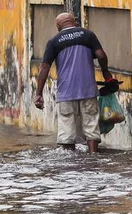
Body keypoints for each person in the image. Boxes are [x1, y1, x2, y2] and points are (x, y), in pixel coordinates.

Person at [33, 12, 115, 152]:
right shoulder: (88, 35)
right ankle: (93, 156)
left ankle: (69, 163)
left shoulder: (54, 41)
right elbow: (101, 55)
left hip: (66, 92)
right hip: (88, 90)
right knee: (91, 125)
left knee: (67, 130)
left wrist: (39, 93)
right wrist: (106, 73)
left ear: (58, 26)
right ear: (74, 22)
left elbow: (44, 67)